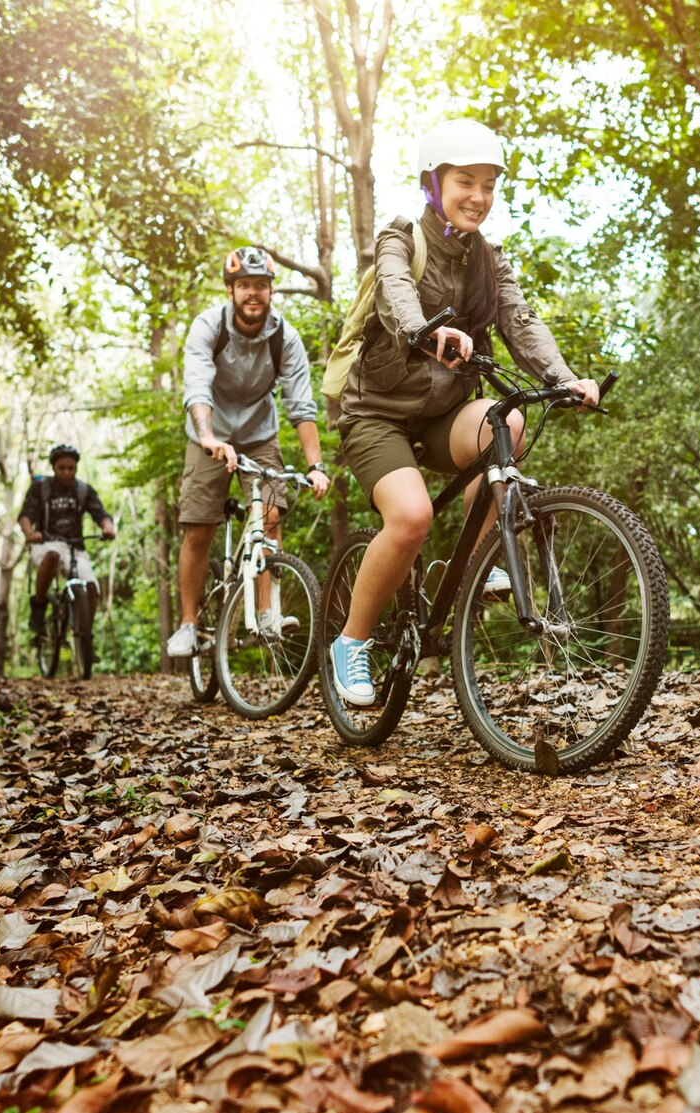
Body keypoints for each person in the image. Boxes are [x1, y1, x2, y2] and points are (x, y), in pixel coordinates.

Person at [327, 119, 600, 706]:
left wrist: (562, 378)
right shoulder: (401, 238)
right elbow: (395, 291)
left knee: (513, 422)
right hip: (377, 414)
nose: (479, 196)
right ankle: (351, 642)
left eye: (488, 184)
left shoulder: (488, 261)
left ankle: (475, 567)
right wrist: (428, 330)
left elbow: (521, 323)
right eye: (464, 182)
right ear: (434, 184)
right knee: (410, 519)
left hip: (443, 414)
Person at [166, 246, 329, 659]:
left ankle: (267, 612)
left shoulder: (284, 337)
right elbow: (197, 387)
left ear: (271, 290)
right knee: (199, 526)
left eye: (260, 285)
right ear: (230, 290)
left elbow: (301, 405)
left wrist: (316, 466)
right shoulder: (208, 326)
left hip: (259, 435)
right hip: (210, 433)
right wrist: (207, 436)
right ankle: (188, 624)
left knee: (271, 513)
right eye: (244, 286)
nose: (252, 293)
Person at [19, 444, 116, 638]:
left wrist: (108, 528)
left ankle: (85, 636)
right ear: (54, 468)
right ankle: (39, 606)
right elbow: (25, 516)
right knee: (53, 556)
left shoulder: (83, 490)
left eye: (71, 468)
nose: (66, 472)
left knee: (90, 587)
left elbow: (100, 514)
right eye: (61, 468)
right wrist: (30, 533)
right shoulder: (41, 488)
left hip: (75, 548)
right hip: (46, 544)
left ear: (76, 468)